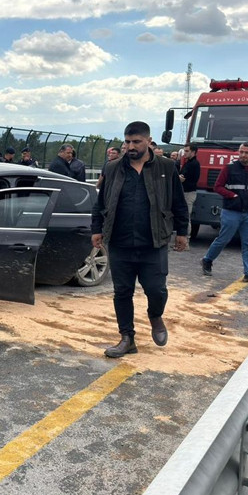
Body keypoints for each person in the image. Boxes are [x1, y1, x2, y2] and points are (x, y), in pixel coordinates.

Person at [92, 121, 189, 358]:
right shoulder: (113, 168)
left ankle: (155, 316)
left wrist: (182, 232)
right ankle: (127, 338)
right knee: (122, 292)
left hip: (153, 243)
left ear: (148, 141)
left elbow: (178, 201)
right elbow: (101, 202)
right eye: (127, 141)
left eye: (136, 141)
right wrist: (96, 229)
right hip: (120, 242)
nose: (130, 146)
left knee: (156, 290)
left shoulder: (166, 167)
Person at [201, 142, 248, 285]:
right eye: (241, 152)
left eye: (247, 152)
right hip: (231, 211)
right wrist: (232, 196)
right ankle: (207, 260)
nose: (243, 155)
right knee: (223, 239)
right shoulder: (229, 168)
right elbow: (218, 186)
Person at [179, 143, 200, 247]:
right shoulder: (188, 163)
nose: (184, 153)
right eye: (184, 150)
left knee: (186, 217)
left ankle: (185, 242)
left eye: (187, 151)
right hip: (185, 192)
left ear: (193, 152)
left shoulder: (194, 164)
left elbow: (193, 180)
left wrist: (182, 180)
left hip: (188, 193)